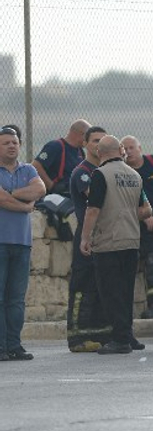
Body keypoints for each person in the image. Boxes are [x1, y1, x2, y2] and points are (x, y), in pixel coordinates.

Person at [79, 136, 152, 355]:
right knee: (126, 291)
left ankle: (120, 340)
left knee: (111, 292)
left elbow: (93, 210)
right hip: (131, 240)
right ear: (119, 151)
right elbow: (145, 209)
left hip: (109, 241)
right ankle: (128, 335)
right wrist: (125, 214)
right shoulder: (134, 175)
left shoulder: (100, 175)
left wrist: (85, 237)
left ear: (100, 153)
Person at [0, 126, 46, 361]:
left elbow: (40, 189)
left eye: (14, 142)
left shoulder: (27, 169)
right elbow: (1, 199)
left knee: (16, 299)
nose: (11, 146)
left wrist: (12, 193)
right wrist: (26, 206)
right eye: (6, 142)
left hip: (21, 243)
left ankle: (14, 345)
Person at [66, 126, 111, 352]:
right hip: (87, 236)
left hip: (106, 237)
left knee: (101, 284)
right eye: (94, 140)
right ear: (85, 144)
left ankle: (100, 334)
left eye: (103, 140)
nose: (98, 144)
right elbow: (96, 199)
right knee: (82, 286)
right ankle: (77, 337)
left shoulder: (108, 170)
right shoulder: (83, 171)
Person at [121, 135, 153, 319]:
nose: (128, 152)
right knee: (147, 266)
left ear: (140, 148)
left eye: (131, 147)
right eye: (124, 149)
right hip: (137, 229)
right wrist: (144, 216)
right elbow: (122, 200)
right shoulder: (123, 173)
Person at [32, 119, 89, 195]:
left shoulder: (80, 152)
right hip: (55, 196)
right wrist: (52, 186)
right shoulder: (55, 146)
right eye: (87, 136)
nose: (88, 140)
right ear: (80, 134)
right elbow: (36, 166)